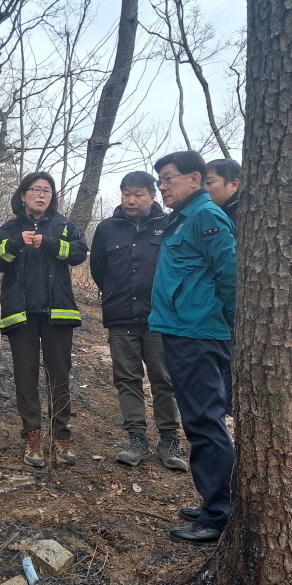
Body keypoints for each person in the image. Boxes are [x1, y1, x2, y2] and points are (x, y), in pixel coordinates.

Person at [149, 151, 236, 544]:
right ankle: (213, 501)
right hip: (182, 330)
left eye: (168, 178)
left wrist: (233, 327)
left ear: (195, 179)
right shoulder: (182, 219)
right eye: (160, 181)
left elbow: (230, 275)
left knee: (204, 422)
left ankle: (219, 515)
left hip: (200, 334)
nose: (162, 187)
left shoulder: (206, 217)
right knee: (198, 420)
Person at [0, 172, 87, 467]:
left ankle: (61, 435)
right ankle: (32, 436)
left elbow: (80, 253)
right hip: (22, 314)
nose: (41, 195)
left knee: (60, 375)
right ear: (23, 195)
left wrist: (51, 244)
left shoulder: (64, 226)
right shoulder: (9, 229)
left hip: (59, 313)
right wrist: (16, 243)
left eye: (47, 191)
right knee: (25, 377)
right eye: (35, 190)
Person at [90, 171, 187, 471]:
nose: (131, 200)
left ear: (153, 195)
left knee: (164, 379)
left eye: (138, 194)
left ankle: (170, 439)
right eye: (126, 194)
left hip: (161, 318)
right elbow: (98, 270)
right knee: (127, 379)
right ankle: (136, 438)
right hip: (120, 318)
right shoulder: (107, 228)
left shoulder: (170, 225)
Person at [205, 158, 241, 416]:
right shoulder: (214, 214)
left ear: (234, 184)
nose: (205, 190)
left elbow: (229, 270)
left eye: (210, 182)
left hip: (235, 313)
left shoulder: (242, 216)